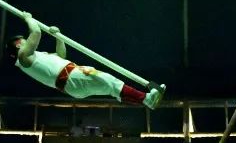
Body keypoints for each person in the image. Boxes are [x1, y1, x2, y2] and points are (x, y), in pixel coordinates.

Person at [9, 13, 164, 109]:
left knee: (111, 85)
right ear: (18, 44)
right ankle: (145, 99)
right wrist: (28, 19)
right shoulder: (23, 57)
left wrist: (58, 37)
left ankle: (145, 100)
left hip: (72, 77)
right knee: (111, 83)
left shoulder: (37, 56)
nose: (25, 41)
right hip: (70, 78)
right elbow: (35, 31)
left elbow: (61, 55)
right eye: (23, 40)